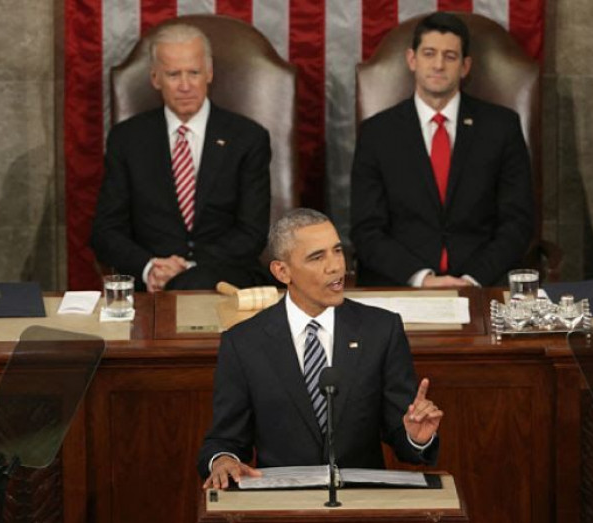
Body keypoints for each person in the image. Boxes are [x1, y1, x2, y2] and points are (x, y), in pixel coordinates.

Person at [198, 208, 443, 489]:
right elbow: (225, 440)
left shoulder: (381, 330)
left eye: (337, 251)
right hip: (282, 503)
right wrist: (223, 460)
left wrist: (416, 437)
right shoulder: (244, 342)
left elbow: (402, 434)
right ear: (282, 271)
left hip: (362, 501)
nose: (335, 267)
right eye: (317, 257)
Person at [350, 12, 534, 288]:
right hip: (402, 283)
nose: (438, 65)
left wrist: (472, 280)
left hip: (484, 283)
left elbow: (517, 222)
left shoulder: (501, 127)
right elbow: (366, 229)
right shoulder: (377, 133)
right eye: (429, 54)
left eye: (450, 56)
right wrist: (421, 279)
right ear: (412, 60)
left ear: (465, 66)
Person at [91, 22, 271, 292]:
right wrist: (149, 268)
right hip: (151, 281)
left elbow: (252, 232)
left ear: (209, 73)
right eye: (173, 74)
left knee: (193, 284)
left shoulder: (248, 138)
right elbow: (106, 231)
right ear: (155, 78)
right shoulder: (126, 139)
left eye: (194, 73)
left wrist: (187, 269)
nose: (185, 86)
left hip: (224, 277)